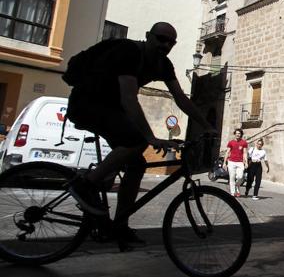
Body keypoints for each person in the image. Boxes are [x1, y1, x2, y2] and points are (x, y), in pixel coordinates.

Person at [66, 22, 210, 246]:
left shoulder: (163, 64)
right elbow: (129, 98)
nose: (165, 44)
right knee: (136, 141)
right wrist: (150, 136)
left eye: (170, 42)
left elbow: (181, 98)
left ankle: (119, 226)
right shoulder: (129, 52)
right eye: (160, 38)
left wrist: (207, 125)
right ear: (148, 36)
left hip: (111, 108)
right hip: (87, 104)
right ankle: (85, 185)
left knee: (137, 165)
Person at [223, 128, 248, 197]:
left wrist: (246, 162)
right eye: (236, 133)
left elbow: (245, 153)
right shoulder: (231, 142)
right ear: (235, 134)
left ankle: (237, 186)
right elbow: (227, 152)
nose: (238, 135)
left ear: (241, 134)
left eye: (239, 133)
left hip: (240, 162)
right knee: (232, 177)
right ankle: (232, 192)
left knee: (240, 177)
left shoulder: (244, 143)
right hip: (231, 162)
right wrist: (224, 163)